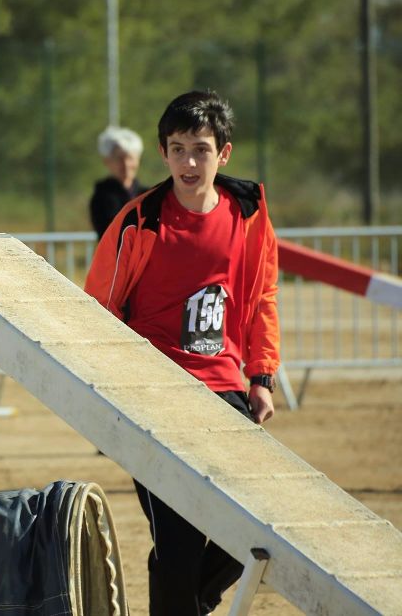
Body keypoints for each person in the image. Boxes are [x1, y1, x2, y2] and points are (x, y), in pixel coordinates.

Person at [84, 91, 279, 615]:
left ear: (225, 153)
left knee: (259, 526)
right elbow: (96, 305)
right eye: (177, 149)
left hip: (225, 388)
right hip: (153, 392)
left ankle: (190, 600)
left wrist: (261, 376)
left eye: (200, 149)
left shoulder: (249, 214)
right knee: (180, 543)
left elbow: (262, 296)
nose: (189, 163)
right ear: (162, 153)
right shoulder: (138, 219)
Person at [89, 126, 145, 239]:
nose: (126, 164)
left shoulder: (148, 195)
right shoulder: (101, 197)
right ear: (107, 161)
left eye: (130, 158)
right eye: (119, 158)